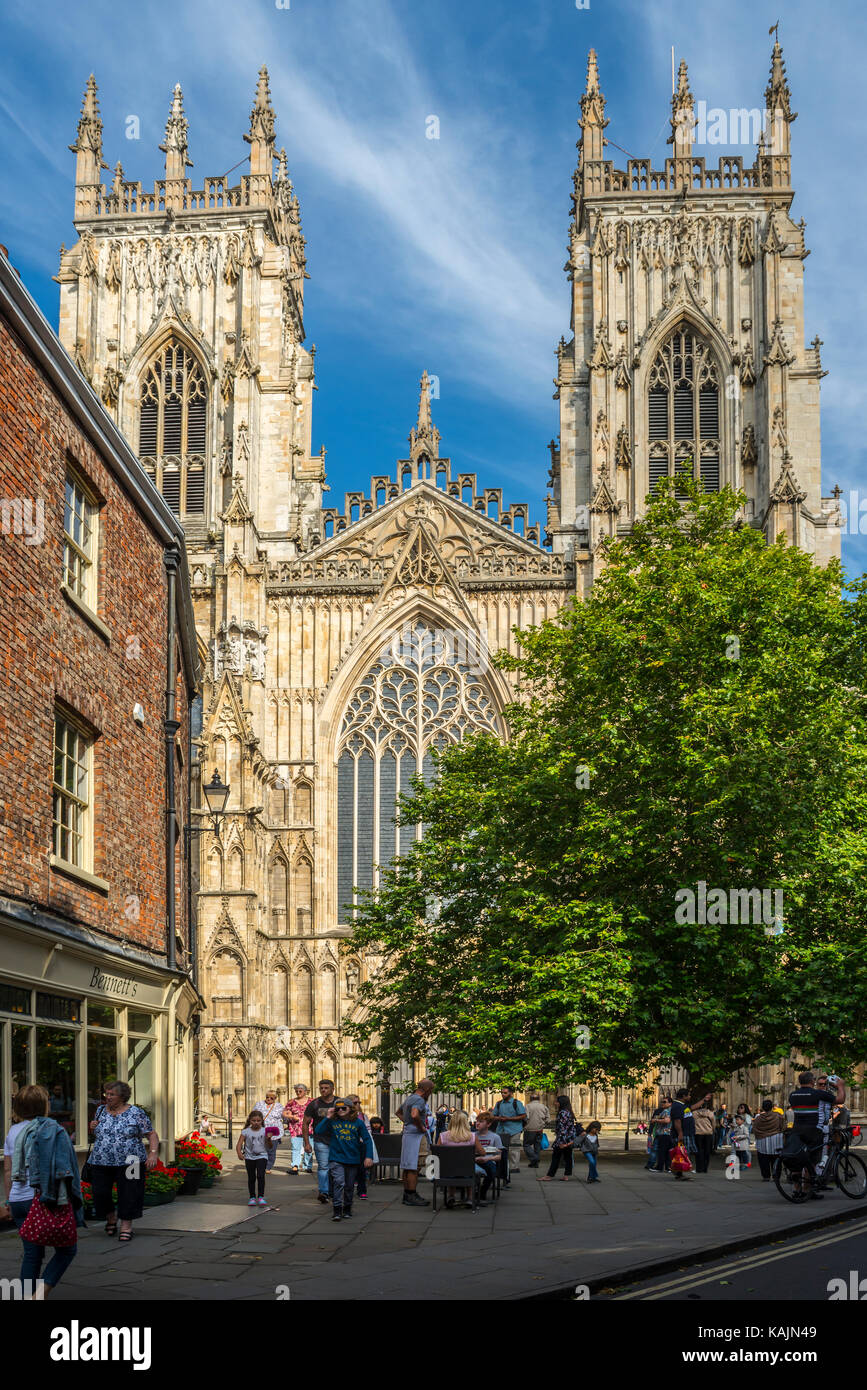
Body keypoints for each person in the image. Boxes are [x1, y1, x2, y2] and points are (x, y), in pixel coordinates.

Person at [2, 1084, 83, 1298]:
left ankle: (27, 1295)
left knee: (32, 1254)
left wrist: (9, 1200)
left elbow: (8, 1170)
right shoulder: (51, 1129)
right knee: (67, 1250)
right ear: (44, 1105)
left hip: (19, 1199)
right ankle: (40, 1293)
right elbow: (64, 1167)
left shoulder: (12, 1132)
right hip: (41, 1198)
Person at [87, 1081, 158, 1242]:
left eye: (112, 1094)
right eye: (107, 1093)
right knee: (100, 1192)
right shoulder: (100, 1111)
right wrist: (92, 1127)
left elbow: (151, 1134)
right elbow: (98, 1132)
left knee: (129, 1193)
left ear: (122, 1096)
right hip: (101, 1160)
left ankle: (126, 1226)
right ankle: (111, 1217)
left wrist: (153, 1154)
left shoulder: (135, 1112)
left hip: (131, 1160)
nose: (108, 1097)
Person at [314, 1098, 373, 1221]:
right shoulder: (333, 1121)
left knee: (350, 1186)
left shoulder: (358, 1123)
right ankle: (336, 1210)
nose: (340, 1110)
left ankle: (347, 1208)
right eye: (338, 1108)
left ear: (350, 1109)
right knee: (338, 1182)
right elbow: (318, 1131)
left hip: (353, 1159)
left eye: (343, 1108)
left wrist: (368, 1156)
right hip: (336, 1158)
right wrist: (328, 1117)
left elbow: (367, 1139)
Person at [437, 1110, 489, 1207]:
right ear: (465, 1122)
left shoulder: (442, 1136)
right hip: (467, 1171)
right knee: (470, 1168)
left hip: (447, 1171)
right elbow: (483, 1153)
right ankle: (469, 1197)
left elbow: (436, 1154)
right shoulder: (472, 1136)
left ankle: (451, 1196)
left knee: (451, 1168)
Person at [399, 1078, 434, 1207]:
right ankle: (412, 1194)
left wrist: (407, 1124)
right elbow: (414, 1114)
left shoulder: (410, 1098)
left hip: (408, 1135)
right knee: (415, 1166)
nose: (431, 1093)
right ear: (426, 1089)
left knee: (408, 1165)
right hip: (416, 1137)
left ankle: (407, 1194)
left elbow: (398, 1113)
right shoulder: (419, 1100)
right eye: (431, 1090)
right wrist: (420, 1126)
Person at [302, 1079, 337, 1205]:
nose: (323, 1090)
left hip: (337, 1141)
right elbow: (305, 1123)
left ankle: (334, 1191)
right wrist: (306, 1143)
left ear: (333, 1089)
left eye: (326, 1088)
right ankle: (324, 1192)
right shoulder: (314, 1104)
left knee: (336, 1167)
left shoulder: (339, 1103)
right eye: (321, 1088)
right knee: (323, 1167)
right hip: (320, 1140)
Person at [236, 1109, 273, 1205]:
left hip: (262, 1156)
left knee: (260, 1176)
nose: (256, 1123)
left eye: (258, 1121)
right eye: (254, 1121)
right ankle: (252, 1197)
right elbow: (239, 1144)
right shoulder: (245, 1131)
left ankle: (261, 1196)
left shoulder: (265, 1131)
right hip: (249, 1157)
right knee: (251, 1177)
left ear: (262, 1121)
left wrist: (269, 1139)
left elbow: (270, 1146)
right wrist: (239, 1153)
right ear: (250, 1121)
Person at [492, 1086, 527, 1186]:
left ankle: (514, 1167)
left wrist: (509, 1119)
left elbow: (523, 1115)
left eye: (505, 1093)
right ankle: (502, 1166)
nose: (503, 1094)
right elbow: (493, 1116)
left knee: (514, 1149)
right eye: (502, 1093)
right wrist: (499, 1118)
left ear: (511, 1093)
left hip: (514, 1129)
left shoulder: (517, 1103)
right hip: (501, 1129)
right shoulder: (498, 1104)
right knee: (500, 1149)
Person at [540, 1095, 579, 1182]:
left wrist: (562, 1142)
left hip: (563, 1139)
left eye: (557, 1101)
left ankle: (549, 1175)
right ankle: (566, 1175)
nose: (555, 1103)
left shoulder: (562, 1113)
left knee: (556, 1157)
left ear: (561, 1102)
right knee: (568, 1157)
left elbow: (562, 1128)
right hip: (569, 1139)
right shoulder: (569, 1112)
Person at [346, 1093, 377, 1200]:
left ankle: (362, 1190)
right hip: (349, 1145)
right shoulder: (344, 1116)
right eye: (355, 1103)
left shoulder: (363, 1116)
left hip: (361, 1145)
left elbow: (368, 1132)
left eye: (359, 1102)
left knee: (362, 1169)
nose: (358, 1104)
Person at [752, 1098, 785, 1180]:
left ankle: (766, 1176)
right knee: (776, 1159)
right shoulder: (778, 1116)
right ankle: (776, 1176)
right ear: (772, 1107)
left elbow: (754, 1129)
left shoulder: (758, 1118)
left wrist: (760, 1134)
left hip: (762, 1141)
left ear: (763, 1107)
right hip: (776, 1141)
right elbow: (783, 1127)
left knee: (763, 1160)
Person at [473, 1111, 503, 1201]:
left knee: (491, 1169)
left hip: (488, 1161)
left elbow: (499, 1157)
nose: (477, 1123)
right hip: (474, 1160)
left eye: (481, 1121)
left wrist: (487, 1159)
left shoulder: (495, 1137)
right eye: (477, 1121)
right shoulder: (472, 1136)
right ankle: (472, 1190)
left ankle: (482, 1191)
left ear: (488, 1124)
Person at [284, 1084, 313, 1175]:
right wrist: (292, 1116)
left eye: (300, 1091)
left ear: (305, 1091)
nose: (298, 1092)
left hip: (309, 1128)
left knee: (309, 1148)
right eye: (297, 1091)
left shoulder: (311, 1101)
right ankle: (295, 1166)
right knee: (295, 1148)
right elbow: (285, 1113)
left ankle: (307, 1166)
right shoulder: (291, 1102)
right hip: (295, 1129)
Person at [254, 1091, 285, 1173]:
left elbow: (284, 1117)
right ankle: (260, 1165)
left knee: (271, 1150)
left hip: (273, 1131)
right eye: (267, 1097)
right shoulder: (259, 1104)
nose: (269, 1099)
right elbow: (253, 1115)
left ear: (275, 1098)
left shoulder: (279, 1106)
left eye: (271, 1098)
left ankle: (268, 1167)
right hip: (261, 1130)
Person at [523, 1092, 550, 1169]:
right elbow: (548, 1120)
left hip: (530, 1129)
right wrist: (543, 1124)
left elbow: (526, 1118)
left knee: (526, 1145)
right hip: (540, 1129)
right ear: (539, 1099)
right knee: (537, 1146)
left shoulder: (527, 1106)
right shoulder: (544, 1106)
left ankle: (534, 1158)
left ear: (530, 1099)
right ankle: (534, 1163)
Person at [692, 1094, 715, 1173]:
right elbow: (713, 1124)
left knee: (698, 1151)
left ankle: (699, 1168)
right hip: (708, 1134)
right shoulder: (710, 1113)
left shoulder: (694, 1113)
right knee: (707, 1151)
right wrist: (712, 1130)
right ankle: (705, 1168)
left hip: (698, 1133)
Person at [652, 1100, 674, 1174]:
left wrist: (655, 1120)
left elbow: (667, 1120)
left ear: (670, 1103)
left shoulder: (667, 1111)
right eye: (662, 1102)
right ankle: (668, 1167)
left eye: (665, 1102)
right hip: (670, 1133)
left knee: (661, 1151)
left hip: (664, 1133)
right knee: (668, 1152)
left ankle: (659, 1167)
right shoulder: (673, 1110)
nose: (662, 1103)